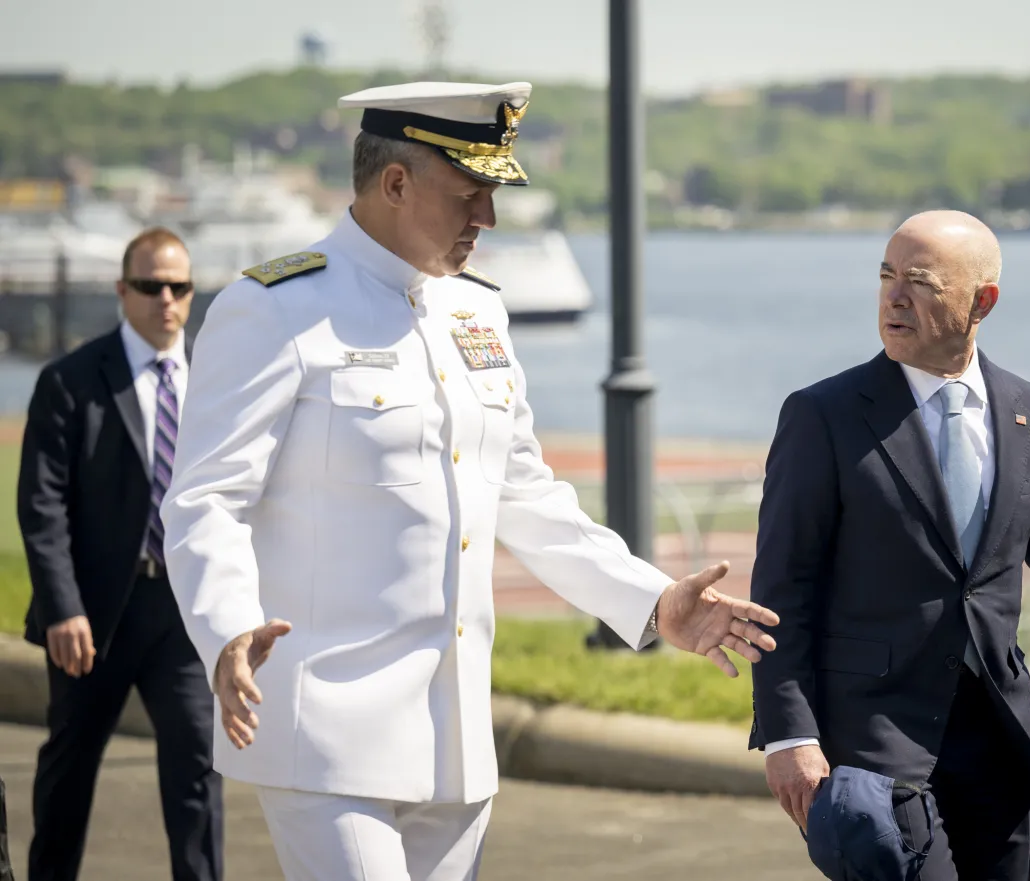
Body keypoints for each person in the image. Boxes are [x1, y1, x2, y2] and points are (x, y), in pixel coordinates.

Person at [159, 80, 778, 881]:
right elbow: (206, 498)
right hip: (325, 732)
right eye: (470, 193)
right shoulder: (275, 309)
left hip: (453, 742)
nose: (486, 218)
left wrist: (653, 601)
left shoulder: (476, 312)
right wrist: (227, 627)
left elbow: (525, 496)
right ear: (394, 183)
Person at [748, 210, 1030, 881]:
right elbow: (783, 588)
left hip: (1000, 739)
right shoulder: (823, 415)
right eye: (885, 277)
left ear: (981, 301)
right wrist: (790, 734)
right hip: (873, 741)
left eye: (920, 282)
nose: (893, 298)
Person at [16, 228, 222, 881]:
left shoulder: (218, 386)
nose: (166, 299)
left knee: (198, 771)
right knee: (69, 775)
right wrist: (62, 608)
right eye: (150, 286)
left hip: (184, 614)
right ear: (122, 290)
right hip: (94, 614)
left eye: (179, 287)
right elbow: (41, 505)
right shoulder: (70, 381)